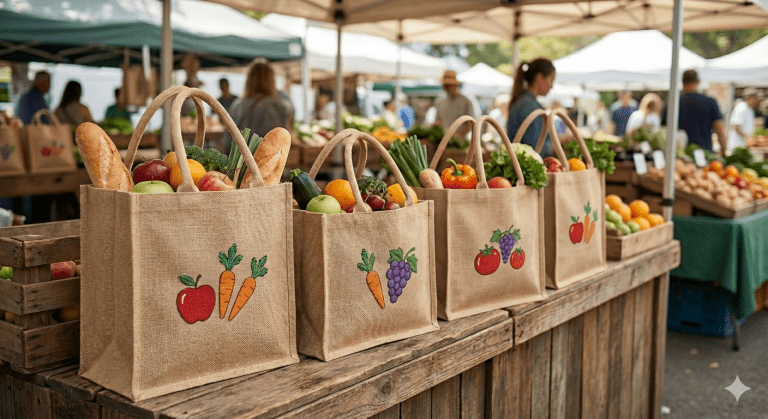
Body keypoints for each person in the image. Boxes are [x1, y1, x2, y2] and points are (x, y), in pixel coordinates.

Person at [223, 62, 292, 153]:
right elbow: (278, 142)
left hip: (238, 164)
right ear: (270, 80)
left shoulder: (237, 104)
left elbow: (227, 143)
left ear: (249, 79)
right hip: (264, 164)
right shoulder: (275, 105)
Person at [506, 58, 556, 157]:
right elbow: (535, 148)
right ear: (539, 78)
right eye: (551, 79)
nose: (552, 86)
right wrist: (555, 145)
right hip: (528, 168)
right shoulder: (530, 106)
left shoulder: (523, 101)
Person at [676, 69, 727, 153]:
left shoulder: (674, 103)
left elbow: (663, 130)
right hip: (705, 153)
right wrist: (724, 151)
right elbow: (720, 129)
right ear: (698, 82)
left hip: (680, 156)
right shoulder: (710, 101)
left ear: (682, 82)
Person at [433, 70, 474, 137]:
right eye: (445, 85)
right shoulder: (440, 101)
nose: (447, 87)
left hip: (460, 142)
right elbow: (438, 120)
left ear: (455, 85)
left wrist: (458, 136)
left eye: (449, 85)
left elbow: (470, 124)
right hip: (442, 140)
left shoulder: (466, 102)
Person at [727, 88, 761, 154]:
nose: (757, 101)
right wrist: (746, 137)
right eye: (756, 98)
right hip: (737, 145)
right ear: (751, 98)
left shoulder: (749, 109)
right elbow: (735, 126)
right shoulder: (741, 108)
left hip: (743, 145)